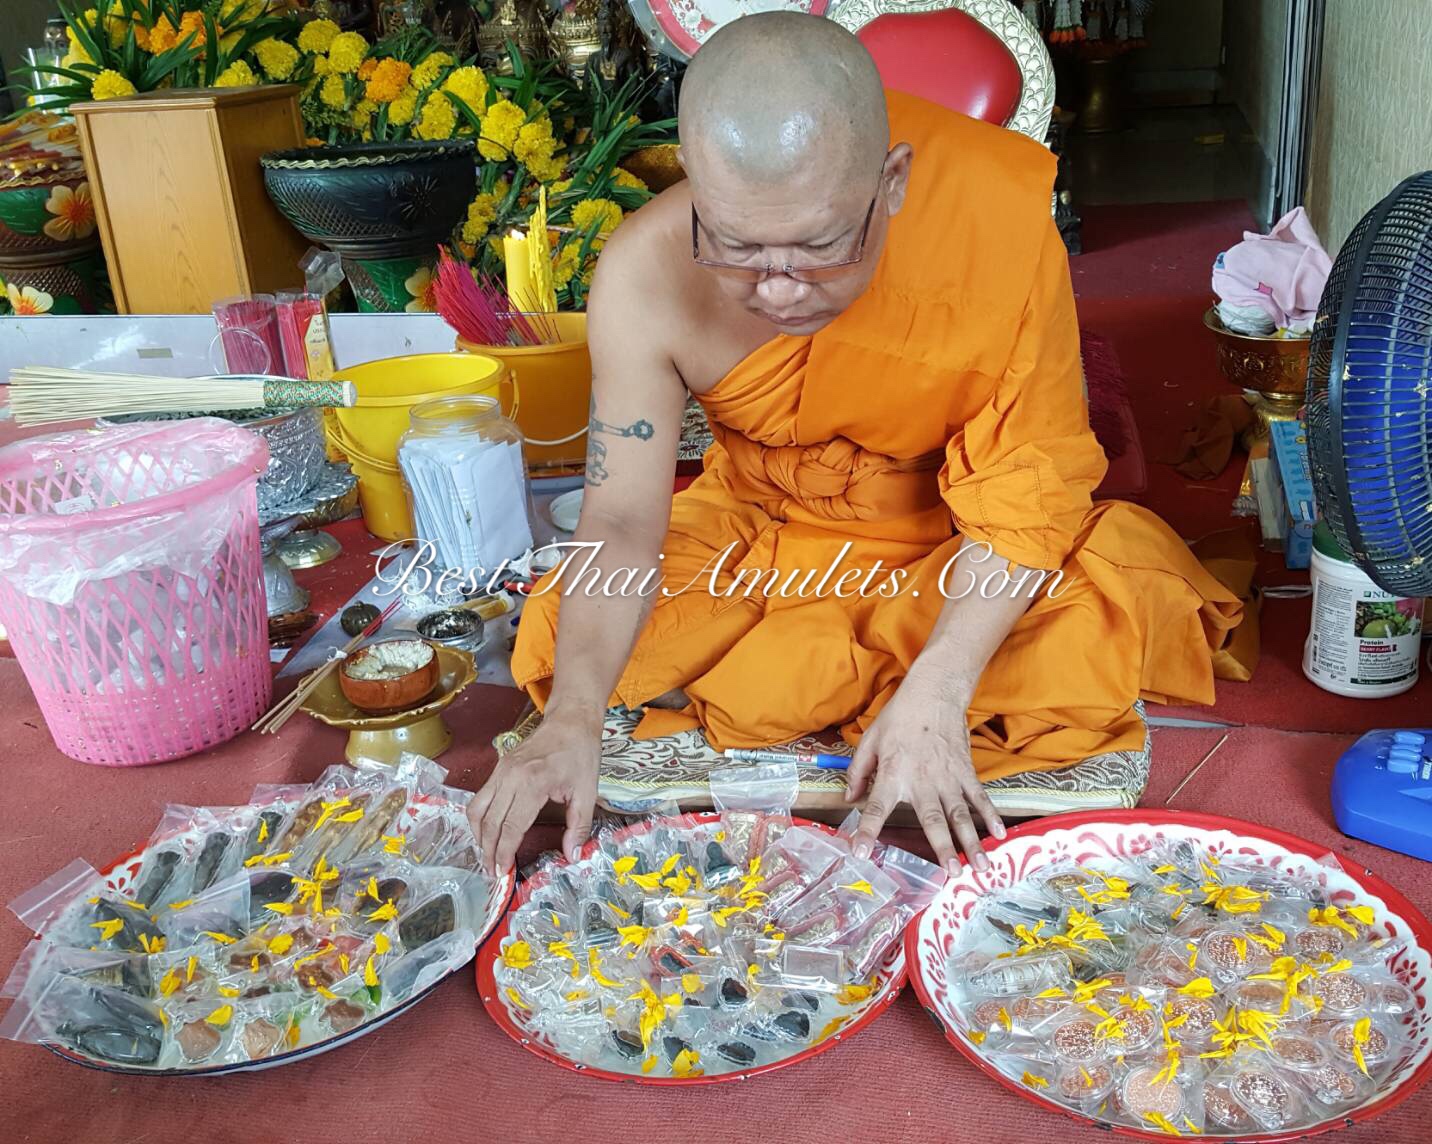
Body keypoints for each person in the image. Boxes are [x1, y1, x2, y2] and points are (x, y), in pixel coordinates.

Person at [468, 12, 1243, 877]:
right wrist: (571, 719)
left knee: (1098, 615)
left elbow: (1029, 491)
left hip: (953, 536)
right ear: (693, 178)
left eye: (820, 245)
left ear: (894, 180)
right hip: (767, 529)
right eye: (736, 245)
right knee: (562, 630)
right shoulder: (646, 269)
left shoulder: (994, 222)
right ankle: (857, 687)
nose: (778, 288)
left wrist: (941, 687)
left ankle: (904, 693)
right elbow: (618, 516)